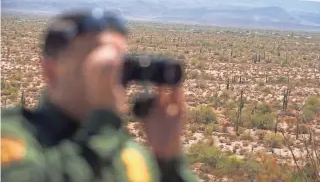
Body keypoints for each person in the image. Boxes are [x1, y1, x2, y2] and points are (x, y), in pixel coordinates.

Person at [1, 9, 199, 182]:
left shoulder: (128, 156)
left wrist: (169, 160)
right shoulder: (13, 137)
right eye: (102, 67)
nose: (114, 77)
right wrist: (103, 118)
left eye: (120, 66)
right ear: (50, 72)